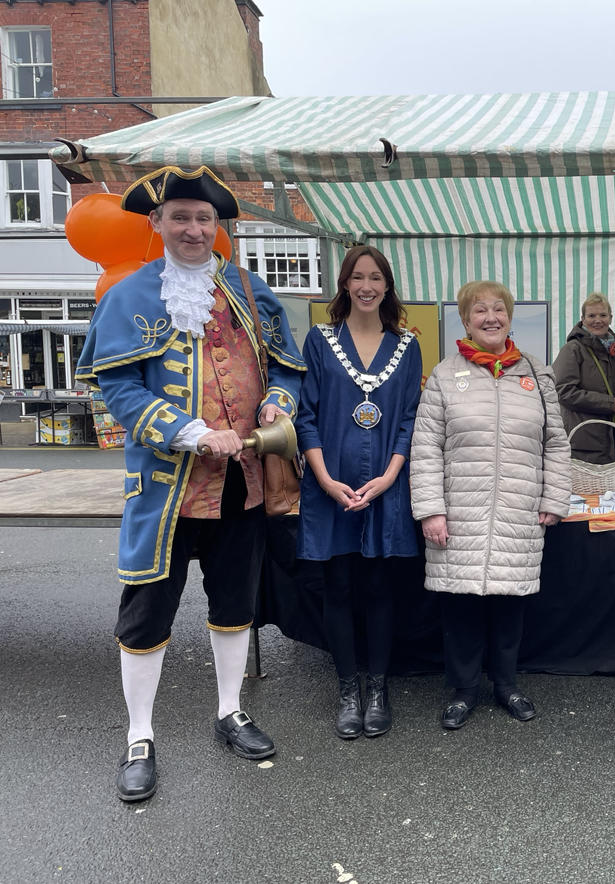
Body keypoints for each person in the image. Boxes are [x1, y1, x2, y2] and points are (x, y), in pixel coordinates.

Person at [75, 166, 306, 802]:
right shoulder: (129, 295)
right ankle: (140, 737)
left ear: (218, 228)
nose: (194, 229)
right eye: (181, 217)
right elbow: (116, 387)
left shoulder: (249, 290)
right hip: (166, 491)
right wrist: (189, 431)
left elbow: (289, 370)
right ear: (156, 225)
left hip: (242, 485)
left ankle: (230, 711)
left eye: (204, 219)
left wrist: (276, 405)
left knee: (235, 606)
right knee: (147, 612)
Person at [410, 281, 571, 730]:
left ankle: (506, 685)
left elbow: (556, 443)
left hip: (519, 508)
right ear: (464, 320)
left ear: (510, 317)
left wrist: (554, 496)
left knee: (509, 604)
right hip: (460, 511)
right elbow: (425, 448)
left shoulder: (537, 375)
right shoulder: (444, 375)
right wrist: (431, 510)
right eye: (479, 311)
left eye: (498, 309)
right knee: (460, 606)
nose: (490, 317)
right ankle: (463, 691)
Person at [295, 245, 422, 740]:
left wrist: (391, 476)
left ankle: (378, 688)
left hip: (385, 486)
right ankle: (348, 690)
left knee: (379, 589)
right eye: (357, 277)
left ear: (387, 286)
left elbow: (410, 417)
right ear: (344, 284)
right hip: (331, 485)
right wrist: (325, 480)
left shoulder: (406, 346)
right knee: (339, 588)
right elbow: (306, 415)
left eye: (376, 278)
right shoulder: (320, 340)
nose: (367, 286)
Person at [552, 293, 615, 465]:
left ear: (610, 317)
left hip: (611, 439)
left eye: (603, 315)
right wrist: (609, 403)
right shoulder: (572, 350)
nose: (597, 320)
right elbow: (562, 391)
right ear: (583, 319)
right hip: (582, 442)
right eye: (591, 315)